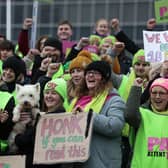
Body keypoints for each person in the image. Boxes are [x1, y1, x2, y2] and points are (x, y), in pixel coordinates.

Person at [68, 60, 125, 168]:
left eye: (95, 73)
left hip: (100, 163)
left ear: (104, 78)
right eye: (88, 72)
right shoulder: (76, 100)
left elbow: (115, 126)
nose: (90, 75)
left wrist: (89, 116)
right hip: (77, 161)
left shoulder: (114, 100)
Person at [15, 78, 68, 168]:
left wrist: (18, 136)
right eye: (47, 92)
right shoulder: (44, 115)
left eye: (54, 93)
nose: (49, 96)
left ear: (62, 97)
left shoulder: (55, 118)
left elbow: (25, 141)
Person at [125, 77, 168, 167]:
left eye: (162, 93)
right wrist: (136, 89)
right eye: (154, 93)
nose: (157, 96)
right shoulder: (142, 113)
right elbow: (129, 115)